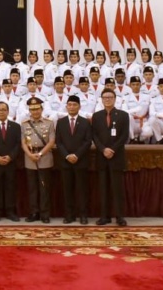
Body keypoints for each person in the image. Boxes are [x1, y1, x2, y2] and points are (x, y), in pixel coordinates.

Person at [92, 88, 129, 226]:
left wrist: (112, 149)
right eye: (105, 97)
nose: (107, 99)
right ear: (101, 99)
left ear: (115, 99)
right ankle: (104, 216)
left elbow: (124, 136)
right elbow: (94, 136)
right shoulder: (96, 116)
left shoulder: (123, 115)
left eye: (110, 97)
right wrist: (103, 149)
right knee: (103, 189)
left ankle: (119, 217)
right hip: (102, 157)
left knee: (117, 188)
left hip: (116, 156)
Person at [56, 95, 92, 225]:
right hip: (66, 161)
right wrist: (67, 155)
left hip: (80, 161)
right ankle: (69, 215)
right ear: (66, 106)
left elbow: (88, 141)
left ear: (79, 107)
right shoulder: (60, 122)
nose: (71, 107)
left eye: (74, 105)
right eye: (69, 105)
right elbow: (58, 142)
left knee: (82, 190)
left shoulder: (85, 122)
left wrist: (76, 155)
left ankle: (83, 215)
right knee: (67, 190)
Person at [21, 96, 55, 224]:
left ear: (41, 109)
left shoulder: (49, 123)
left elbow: (51, 141)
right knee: (32, 188)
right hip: (30, 157)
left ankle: (45, 214)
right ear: (29, 110)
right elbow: (23, 142)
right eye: (32, 109)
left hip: (44, 157)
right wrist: (29, 154)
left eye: (37, 109)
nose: (35, 112)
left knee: (44, 187)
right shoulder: (24, 124)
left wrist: (40, 154)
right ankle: (34, 212)